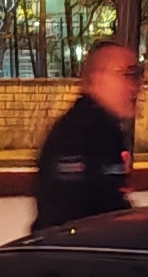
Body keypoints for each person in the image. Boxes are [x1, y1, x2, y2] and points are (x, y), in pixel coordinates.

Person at [33, 40, 141, 229]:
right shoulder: (77, 135)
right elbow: (70, 216)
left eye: (139, 75)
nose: (136, 86)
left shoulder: (106, 130)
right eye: (129, 74)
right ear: (98, 77)